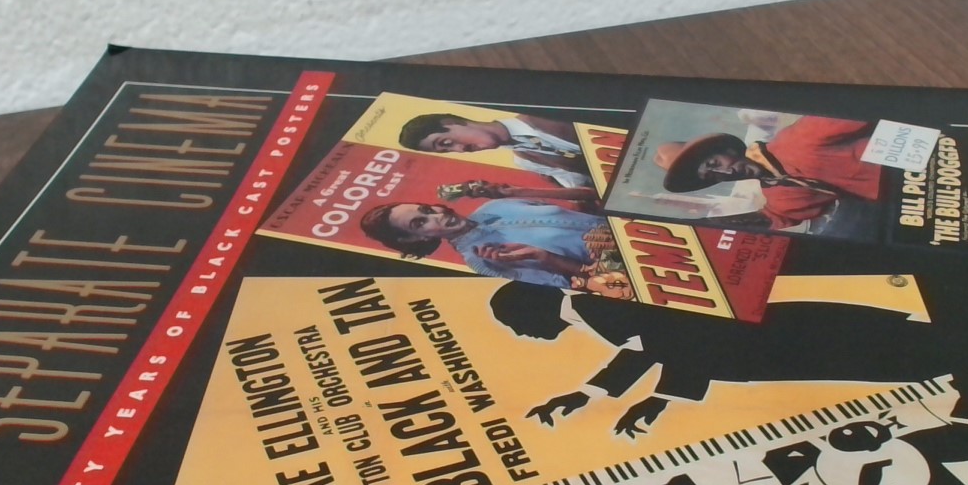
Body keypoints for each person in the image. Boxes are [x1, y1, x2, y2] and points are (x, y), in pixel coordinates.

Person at [488, 281, 948, 437]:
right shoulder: (592, 309)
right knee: (885, 356)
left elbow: (683, 338)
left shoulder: (595, 306)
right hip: (761, 344)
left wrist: (661, 399)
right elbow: (647, 347)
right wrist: (587, 395)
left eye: (515, 324)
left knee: (890, 355)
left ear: (533, 308)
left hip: (765, 342)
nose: (521, 334)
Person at [653, 114, 883, 232]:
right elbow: (774, 218)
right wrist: (706, 226)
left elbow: (862, 109)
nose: (726, 171)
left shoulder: (801, 138)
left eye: (715, 162)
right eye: (713, 176)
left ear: (727, 149)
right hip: (897, 205)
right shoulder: (778, 192)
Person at [359, 197, 606, 288]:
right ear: (416, 238)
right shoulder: (482, 261)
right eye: (420, 223)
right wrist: (545, 258)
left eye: (427, 209)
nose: (437, 215)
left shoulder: (496, 205)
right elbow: (583, 286)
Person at [399, 111, 591, 187]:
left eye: (446, 143)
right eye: (448, 151)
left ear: (451, 122)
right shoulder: (525, 161)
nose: (461, 150)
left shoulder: (541, 113)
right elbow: (584, 187)